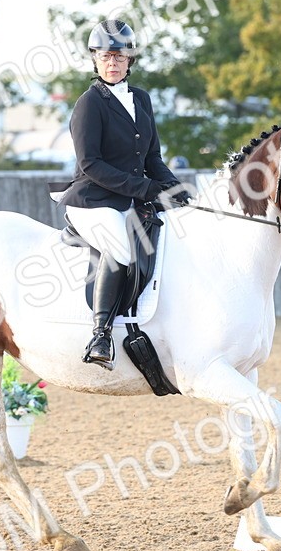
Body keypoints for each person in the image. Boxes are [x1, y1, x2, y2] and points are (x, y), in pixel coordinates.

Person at [59, 19, 190, 370]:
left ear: (130, 60)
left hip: (127, 199)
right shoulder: (89, 104)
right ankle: (100, 334)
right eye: (105, 57)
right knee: (120, 245)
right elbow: (91, 164)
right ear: (95, 60)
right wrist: (147, 189)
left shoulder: (142, 100)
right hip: (91, 200)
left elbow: (152, 159)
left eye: (118, 56)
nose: (112, 63)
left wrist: (177, 191)